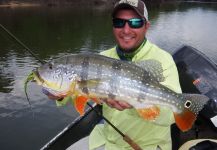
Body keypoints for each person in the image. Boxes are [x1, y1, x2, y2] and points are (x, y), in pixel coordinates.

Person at [65, 0, 182, 149]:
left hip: (146, 145)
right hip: (105, 139)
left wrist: (134, 104)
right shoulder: (103, 56)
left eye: (135, 23)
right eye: (119, 22)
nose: (126, 30)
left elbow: (172, 116)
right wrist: (57, 92)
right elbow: (78, 89)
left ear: (147, 26)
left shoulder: (163, 59)